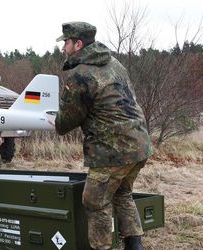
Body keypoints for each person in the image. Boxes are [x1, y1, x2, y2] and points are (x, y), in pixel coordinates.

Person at [53, 22, 152, 250]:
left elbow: (66, 121)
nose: (63, 47)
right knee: (123, 194)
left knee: (94, 202)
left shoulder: (79, 75)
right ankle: (135, 245)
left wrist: (56, 121)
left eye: (66, 42)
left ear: (78, 44)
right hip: (139, 144)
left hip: (112, 150)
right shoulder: (114, 63)